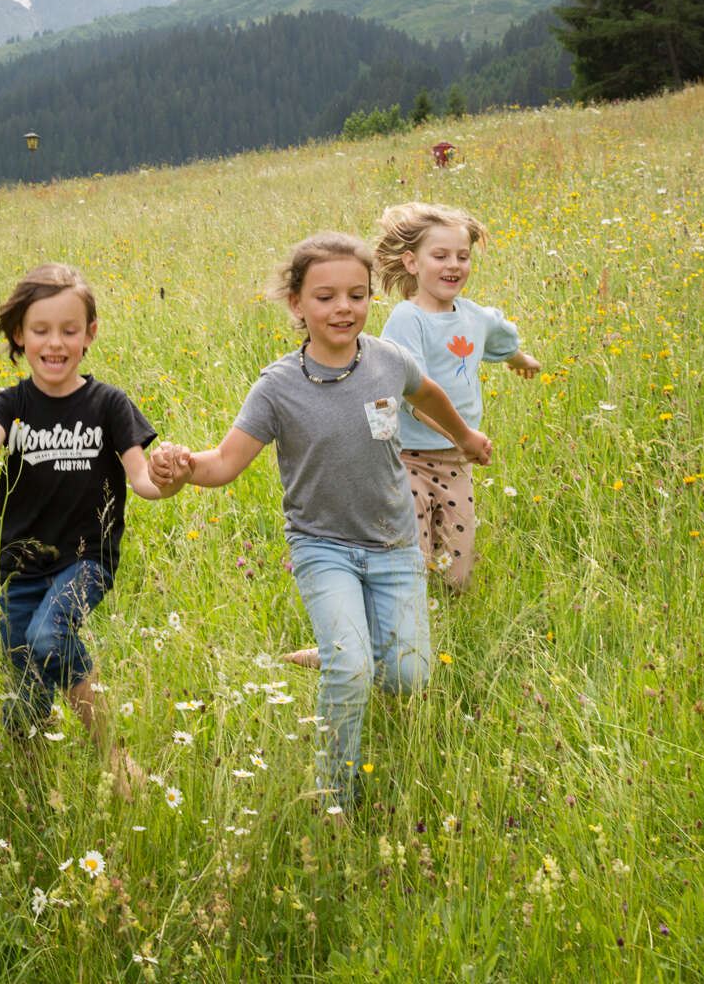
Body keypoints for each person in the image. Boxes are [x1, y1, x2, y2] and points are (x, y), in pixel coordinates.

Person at [150, 232, 491, 814]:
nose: (344, 308)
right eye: (327, 296)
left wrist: (463, 436)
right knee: (353, 672)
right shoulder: (277, 387)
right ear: (297, 303)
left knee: (408, 676)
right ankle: (335, 794)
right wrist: (179, 469)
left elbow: (427, 392)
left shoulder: (387, 361)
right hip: (323, 547)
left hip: (393, 544)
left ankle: (336, 651)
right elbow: (225, 463)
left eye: (357, 295)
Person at [0, 262, 175, 796]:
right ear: (18, 337)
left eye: (69, 331)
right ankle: (30, 789)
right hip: (20, 569)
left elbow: (141, 479)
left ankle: (114, 757)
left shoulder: (109, 405)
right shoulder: (11, 404)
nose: (55, 344)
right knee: (26, 693)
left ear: (90, 335)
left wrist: (169, 480)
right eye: (41, 331)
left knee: (51, 636)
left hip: (85, 558)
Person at [376, 201, 540, 591]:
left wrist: (523, 360)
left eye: (462, 256)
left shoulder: (476, 317)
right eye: (440, 256)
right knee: (409, 561)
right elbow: (412, 395)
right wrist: (461, 435)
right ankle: (385, 634)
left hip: (457, 463)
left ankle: (446, 625)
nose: (454, 265)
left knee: (455, 575)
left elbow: (501, 340)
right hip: (406, 459)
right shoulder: (406, 319)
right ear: (412, 263)